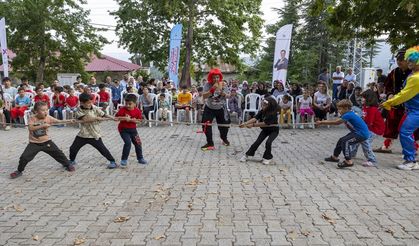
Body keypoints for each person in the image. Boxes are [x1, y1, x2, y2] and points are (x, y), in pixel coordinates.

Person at [9, 102, 75, 179]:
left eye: (46, 109)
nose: (45, 112)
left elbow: (58, 121)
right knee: (24, 157)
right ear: (36, 111)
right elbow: (31, 128)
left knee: (59, 153)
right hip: (34, 143)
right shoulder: (32, 118)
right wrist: (43, 125)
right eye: (43, 110)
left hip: (46, 142)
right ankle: (19, 171)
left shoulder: (48, 117)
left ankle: (67, 165)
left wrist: (69, 120)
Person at [382, 46, 419, 170]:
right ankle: (411, 157)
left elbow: (404, 94)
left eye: (411, 61)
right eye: (407, 60)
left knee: (405, 132)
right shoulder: (413, 74)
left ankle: (411, 161)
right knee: (404, 130)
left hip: (416, 111)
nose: (408, 63)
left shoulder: (415, 78)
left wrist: (389, 102)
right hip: (410, 110)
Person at [375, 50, 412, 153]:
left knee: (412, 127)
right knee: (391, 124)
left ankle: (415, 148)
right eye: (398, 60)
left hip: (410, 105)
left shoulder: (414, 72)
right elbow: (388, 86)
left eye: (402, 60)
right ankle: (387, 146)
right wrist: (389, 94)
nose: (399, 62)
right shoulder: (394, 72)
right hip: (396, 103)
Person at [69, 93, 117, 169]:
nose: (90, 104)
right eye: (88, 103)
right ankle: (72, 161)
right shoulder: (78, 109)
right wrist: (96, 118)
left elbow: (103, 114)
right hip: (83, 134)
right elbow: (86, 119)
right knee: (73, 148)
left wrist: (112, 118)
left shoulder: (94, 107)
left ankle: (112, 161)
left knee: (102, 149)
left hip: (94, 134)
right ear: (82, 103)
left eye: (91, 102)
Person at [317, 99, 370, 168]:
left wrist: (321, 122)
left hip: (361, 134)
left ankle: (349, 161)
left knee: (346, 141)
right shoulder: (348, 113)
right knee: (341, 140)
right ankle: (334, 157)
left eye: (340, 109)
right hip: (357, 132)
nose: (338, 111)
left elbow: (336, 122)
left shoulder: (348, 115)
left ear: (346, 108)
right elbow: (336, 120)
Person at [239, 97, 279, 165]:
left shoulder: (273, 114)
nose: (262, 106)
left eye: (264, 105)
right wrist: (245, 123)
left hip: (274, 130)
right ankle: (247, 155)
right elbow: (255, 118)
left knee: (268, 142)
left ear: (269, 106)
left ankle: (267, 158)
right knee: (257, 142)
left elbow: (265, 123)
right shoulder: (262, 111)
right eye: (262, 104)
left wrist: (253, 125)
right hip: (265, 130)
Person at [351, 89, 385, 167]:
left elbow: (369, 122)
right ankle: (352, 153)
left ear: (369, 99)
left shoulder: (372, 109)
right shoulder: (365, 107)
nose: (362, 99)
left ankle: (372, 160)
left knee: (365, 142)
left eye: (364, 98)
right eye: (362, 97)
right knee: (357, 138)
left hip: (375, 129)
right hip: (369, 128)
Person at [201, 68, 230, 150]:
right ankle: (210, 143)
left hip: (221, 108)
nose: (216, 79)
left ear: (220, 77)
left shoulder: (223, 84)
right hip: (210, 107)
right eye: (214, 77)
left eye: (217, 77)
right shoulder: (207, 84)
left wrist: (223, 93)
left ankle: (224, 138)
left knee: (225, 125)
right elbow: (204, 96)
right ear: (211, 78)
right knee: (205, 125)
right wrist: (212, 89)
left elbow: (228, 96)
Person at [115, 94, 147, 167]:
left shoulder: (137, 111)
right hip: (123, 130)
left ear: (135, 104)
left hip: (133, 130)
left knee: (138, 143)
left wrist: (134, 121)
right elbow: (116, 118)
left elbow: (139, 121)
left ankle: (140, 158)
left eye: (130, 104)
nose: (128, 105)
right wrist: (124, 118)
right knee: (128, 143)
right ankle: (124, 159)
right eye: (126, 104)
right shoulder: (122, 109)